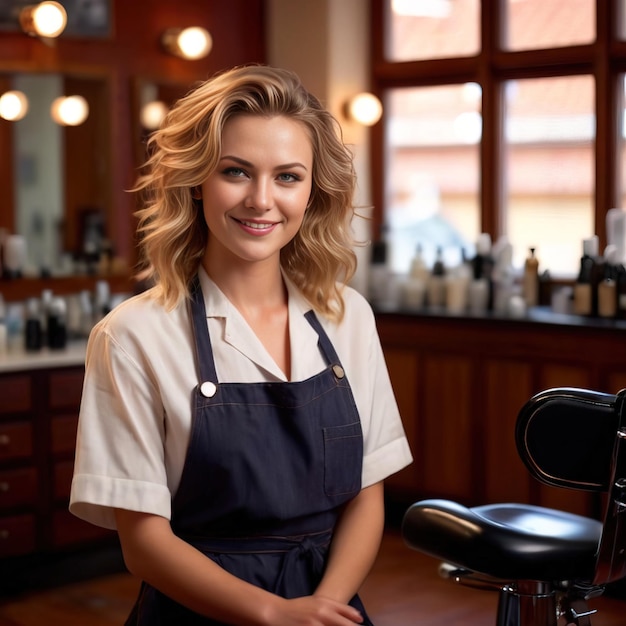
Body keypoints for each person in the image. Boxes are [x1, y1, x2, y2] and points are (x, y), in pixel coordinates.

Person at [69, 64, 413, 626]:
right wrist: (273, 615)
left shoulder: (348, 316)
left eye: (287, 177)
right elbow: (144, 542)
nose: (261, 200)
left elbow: (365, 497)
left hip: (325, 610)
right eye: (236, 171)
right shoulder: (133, 335)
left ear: (312, 191)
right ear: (195, 181)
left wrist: (319, 610)